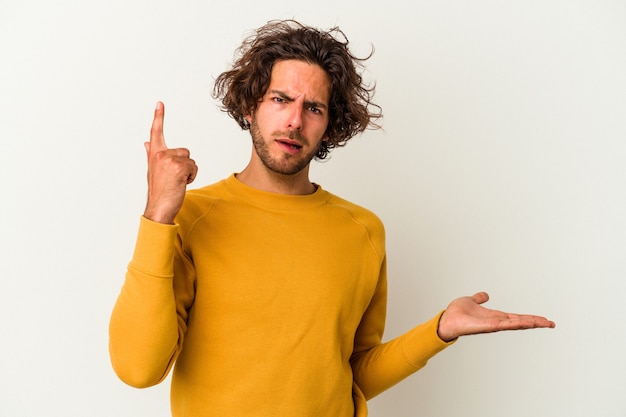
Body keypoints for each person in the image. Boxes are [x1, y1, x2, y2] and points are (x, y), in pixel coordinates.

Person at [109, 19, 555, 417]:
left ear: (330, 125)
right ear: (250, 106)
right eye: (280, 99)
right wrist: (158, 214)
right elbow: (138, 368)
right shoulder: (188, 218)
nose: (294, 121)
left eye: (314, 108)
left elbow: (353, 373)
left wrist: (437, 331)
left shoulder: (361, 230)